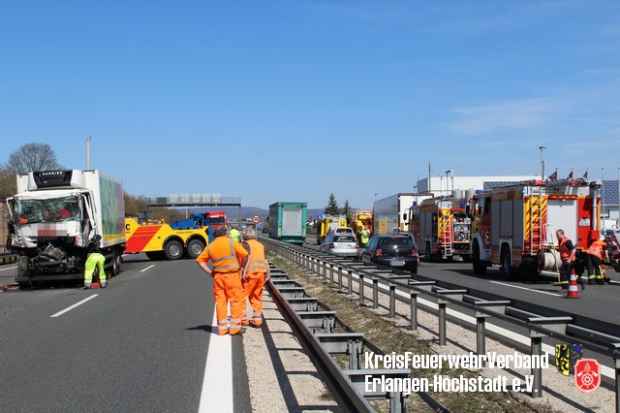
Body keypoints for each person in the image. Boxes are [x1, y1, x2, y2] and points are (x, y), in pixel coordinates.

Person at [196, 226, 248, 335]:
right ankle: (235, 329)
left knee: (221, 302)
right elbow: (245, 254)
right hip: (233, 276)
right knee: (236, 301)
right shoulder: (231, 243)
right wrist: (242, 267)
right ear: (225, 233)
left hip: (218, 277)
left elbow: (200, 260)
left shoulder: (211, 246)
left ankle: (222, 329)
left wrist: (210, 272)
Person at [241, 228, 270, 327]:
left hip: (250, 273)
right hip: (261, 273)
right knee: (256, 296)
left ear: (245, 236)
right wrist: (268, 274)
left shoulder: (245, 245)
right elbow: (266, 260)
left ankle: (244, 319)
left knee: (243, 295)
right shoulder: (261, 245)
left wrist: (243, 271)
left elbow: (245, 259)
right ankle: (257, 320)